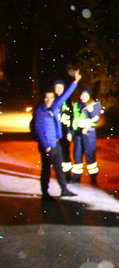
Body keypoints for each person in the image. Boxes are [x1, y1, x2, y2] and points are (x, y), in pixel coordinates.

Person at [33, 69, 82, 200]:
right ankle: (45, 193)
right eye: (46, 97)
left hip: (56, 143)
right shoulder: (40, 111)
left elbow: (65, 96)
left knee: (59, 169)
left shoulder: (54, 107)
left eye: (51, 98)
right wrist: (46, 145)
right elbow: (38, 130)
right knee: (46, 171)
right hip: (48, 146)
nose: (49, 100)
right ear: (43, 98)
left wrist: (75, 82)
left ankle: (64, 190)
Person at [71, 87, 102, 185]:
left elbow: (96, 120)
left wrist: (91, 111)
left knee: (90, 156)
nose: (83, 96)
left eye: (85, 95)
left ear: (89, 96)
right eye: (82, 94)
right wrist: (70, 132)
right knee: (77, 156)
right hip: (78, 134)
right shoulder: (76, 105)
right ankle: (76, 178)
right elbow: (73, 120)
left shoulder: (95, 105)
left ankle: (93, 178)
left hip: (89, 135)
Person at [53, 79, 74, 181]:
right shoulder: (51, 100)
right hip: (54, 132)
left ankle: (67, 175)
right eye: (56, 87)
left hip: (65, 132)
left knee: (65, 153)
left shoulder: (68, 101)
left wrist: (70, 132)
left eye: (60, 88)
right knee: (56, 153)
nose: (58, 90)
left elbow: (72, 117)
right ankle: (59, 173)